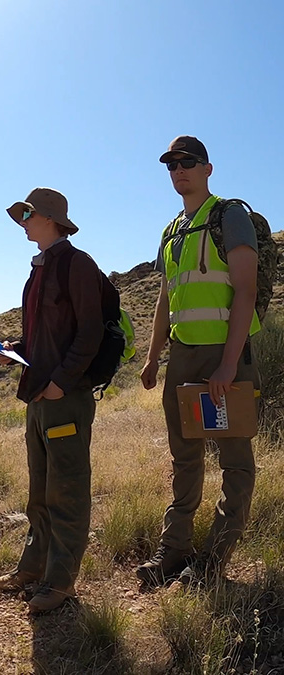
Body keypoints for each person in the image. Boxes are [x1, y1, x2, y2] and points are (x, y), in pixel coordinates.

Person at [137, 136, 262, 588]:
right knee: (185, 457)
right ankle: (174, 552)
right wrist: (153, 357)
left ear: (208, 168)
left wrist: (229, 365)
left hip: (224, 357)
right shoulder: (172, 231)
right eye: (171, 165)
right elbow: (166, 298)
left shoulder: (230, 216)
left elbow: (246, 289)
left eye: (187, 163)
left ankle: (213, 558)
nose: (178, 171)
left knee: (234, 460)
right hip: (183, 360)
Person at [0, 188, 104, 613]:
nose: (23, 221)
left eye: (29, 214)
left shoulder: (77, 264)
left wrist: (60, 381)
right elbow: (47, 337)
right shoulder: (39, 269)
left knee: (66, 490)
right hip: (40, 394)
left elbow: (89, 333)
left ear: (51, 218)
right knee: (40, 489)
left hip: (63, 397)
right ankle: (34, 568)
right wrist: (8, 347)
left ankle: (60, 583)